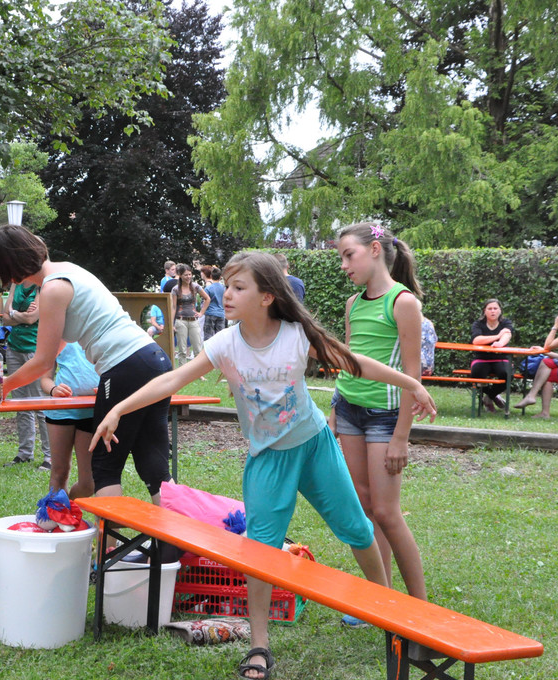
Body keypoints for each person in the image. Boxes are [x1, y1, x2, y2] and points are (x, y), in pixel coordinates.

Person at [90, 251, 437, 680]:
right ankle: (259, 646)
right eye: (227, 285)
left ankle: (388, 613)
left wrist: (410, 383)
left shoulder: (297, 334)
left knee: (357, 529)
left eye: (239, 287)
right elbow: (171, 379)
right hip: (268, 459)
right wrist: (119, 408)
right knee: (259, 552)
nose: (226, 294)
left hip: (314, 446)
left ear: (267, 296)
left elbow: (354, 362)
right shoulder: (225, 344)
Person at [0, 224, 172, 505]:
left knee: (104, 469)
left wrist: (3, 387)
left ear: (9, 266)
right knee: (153, 463)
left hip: (125, 366)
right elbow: (55, 347)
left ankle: (107, 537)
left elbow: (42, 362)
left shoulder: (52, 288)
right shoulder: (69, 270)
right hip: (154, 359)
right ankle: (171, 534)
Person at [331, 221, 429, 627]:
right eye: (341, 257)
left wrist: (401, 437)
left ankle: (421, 610)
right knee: (364, 506)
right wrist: (335, 411)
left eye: (348, 255)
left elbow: (412, 375)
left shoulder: (403, 303)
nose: (343, 265)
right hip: (349, 411)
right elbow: (350, 361)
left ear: (374, 250)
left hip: (384, 420)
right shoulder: (353, 303)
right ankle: (380, 598)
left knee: (387, 512)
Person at [39, 342, 99, 500]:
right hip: (61, 411)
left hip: (91, 411)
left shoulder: (100, 334)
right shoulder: (59, 337)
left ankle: (69, 505)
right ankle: (57, 512)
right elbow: (45, 379)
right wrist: (54, 389)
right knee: (59, 472)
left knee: (88, 484)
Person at [4, 282, 50, 469]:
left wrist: (14, 313)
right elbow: (4, 318)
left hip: (35, 350)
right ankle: (25, 453)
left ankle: (50, 457)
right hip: (14, 348)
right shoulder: (16, 284)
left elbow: (32, 318)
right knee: (20, 404)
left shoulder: (43, 285)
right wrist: (17, 314)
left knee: (41, 405)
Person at [469, 299, 514, 412]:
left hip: (501, 358)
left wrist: (500, 343)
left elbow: (507, 335)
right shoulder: (478, 324)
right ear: (484, 311)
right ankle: (493, 397)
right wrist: (497, 336)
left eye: (495, 308)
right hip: (482, 358)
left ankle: (489, 397)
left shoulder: (506, 323)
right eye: (489, 309)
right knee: (476, 374)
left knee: (507, 374)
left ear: (500, 310)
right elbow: (476, 340)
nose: (492, 311)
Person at [171, 264, 210, 368]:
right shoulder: (175, 289)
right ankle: (182, 372)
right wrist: (172, 323)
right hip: (181, 320)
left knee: (198, 348)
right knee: (182, 350)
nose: (188, 277)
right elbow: (173, 307)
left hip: (193, 320)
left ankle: (198, 373)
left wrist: (201, 312)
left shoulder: (195, 287)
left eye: (189, 274)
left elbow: (207, 298)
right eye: (185, 275)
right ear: (180, 275)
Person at [203, 267, 226, 341]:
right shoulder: (224, 288)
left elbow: (205, 301)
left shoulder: (208, 288)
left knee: (208, 335)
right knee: (220, 336)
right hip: (221, 313)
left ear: (211, 276)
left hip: (210, 313)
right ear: (220, 277)